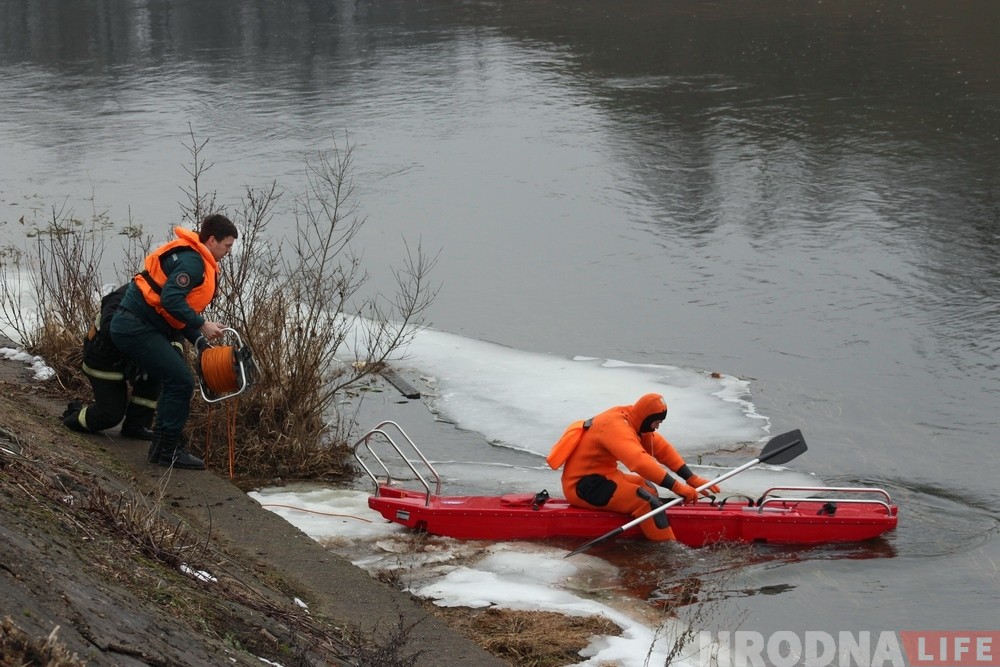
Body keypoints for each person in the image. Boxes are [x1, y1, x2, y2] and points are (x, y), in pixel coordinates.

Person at [110, 214, 237, 470]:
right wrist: (202, 324)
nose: (228, 252)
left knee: (175, 379)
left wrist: (199, 340)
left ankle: (161, 449)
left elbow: (174, 312)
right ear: (212, 240)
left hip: (143, 325)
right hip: (134, 327)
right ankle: (169, 451)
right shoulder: (193, 264)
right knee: (180, 381)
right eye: (227, 246)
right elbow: (170, 300)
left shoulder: (195, 258)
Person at [548, 393, 721, 541]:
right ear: (647, 418)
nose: (657, 427)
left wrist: (691, 478)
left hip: (605, 476)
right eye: (656, 422)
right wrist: (676, 487)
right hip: (584, 486)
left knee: (648, 488)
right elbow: (639, 462)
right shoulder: (615, 426)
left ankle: (648, 528)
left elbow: (662, 450)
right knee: (645, 501)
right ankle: (667, 551)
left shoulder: (634, 419)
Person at [62, 284, 161, 440]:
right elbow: (111, 329)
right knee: (110, 415)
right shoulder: (124, 297)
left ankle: (137, 425)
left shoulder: (168, 299)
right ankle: (74, 415)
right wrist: (136, 355)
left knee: (159, 368)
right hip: (103, 358)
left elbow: (176, 333)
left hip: (130, 356)